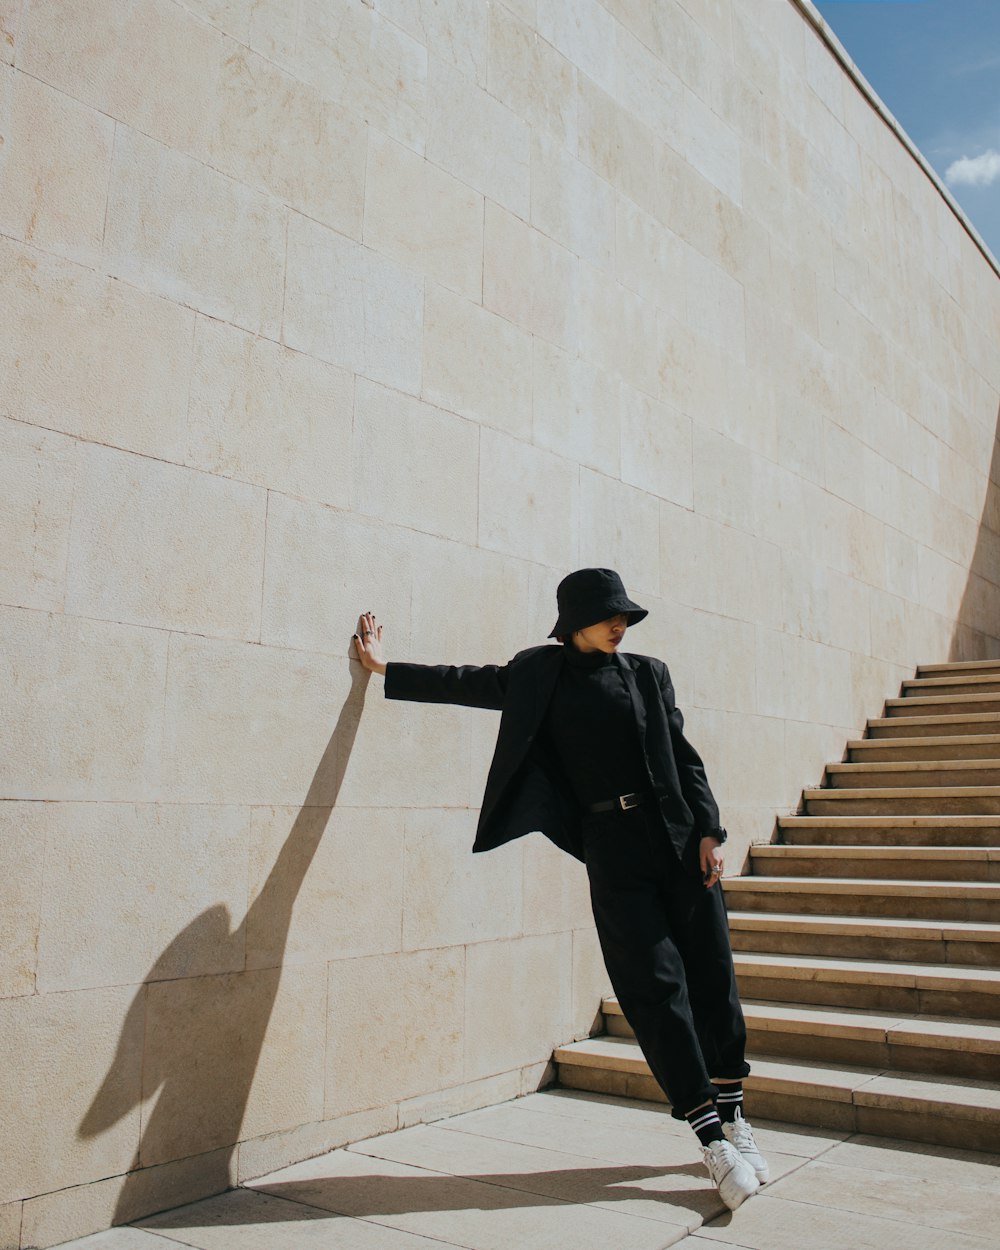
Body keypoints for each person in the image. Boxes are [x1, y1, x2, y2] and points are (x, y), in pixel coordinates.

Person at [353, 567, 767, 1210]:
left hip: (682, 845)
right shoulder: (537, 673)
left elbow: (685, 757)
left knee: (714, 977)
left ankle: (736, 1114)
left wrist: (711, 829)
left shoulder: (649, 674)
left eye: (625, 615)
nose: (620, 624)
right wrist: (385, 669)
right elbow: (465, 683)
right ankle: (710, 1137)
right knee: (654, 989)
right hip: (612, 851)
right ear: (575, 620)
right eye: (609, 615)